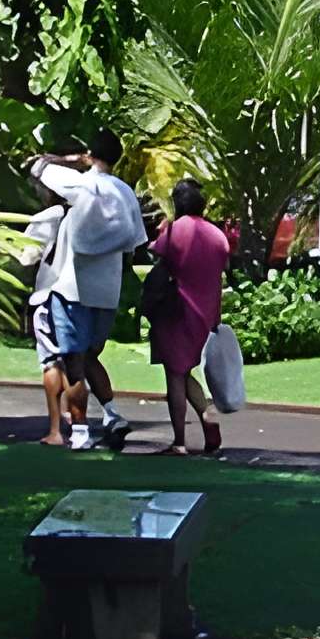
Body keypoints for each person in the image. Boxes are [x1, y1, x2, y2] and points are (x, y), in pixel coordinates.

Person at [40, 128, 148, 450]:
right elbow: (135, 242)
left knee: (74, 361)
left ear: (89, 154)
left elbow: (39, 167)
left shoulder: (80, 183)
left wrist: (70, 159)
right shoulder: (125, 192)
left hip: (72, 287)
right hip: (107, 291)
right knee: (89, 358)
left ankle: (81, 432)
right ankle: (113, 415)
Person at [144, 178, 233, 457]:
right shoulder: (217, 235)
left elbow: (155, 251)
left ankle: (179, 441)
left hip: (176, 310)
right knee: (183, 370)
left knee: (174, 374)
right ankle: (207, 415)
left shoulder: (175, 231)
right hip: (205, 314)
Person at [21, 168, 87, 448]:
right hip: (80, 296)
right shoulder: (85, 218)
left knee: (51, 362)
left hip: (48, 295)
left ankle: (55, 429)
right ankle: (81, 428)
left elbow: (26, 255)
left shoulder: (48, 217)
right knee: (74, 363)